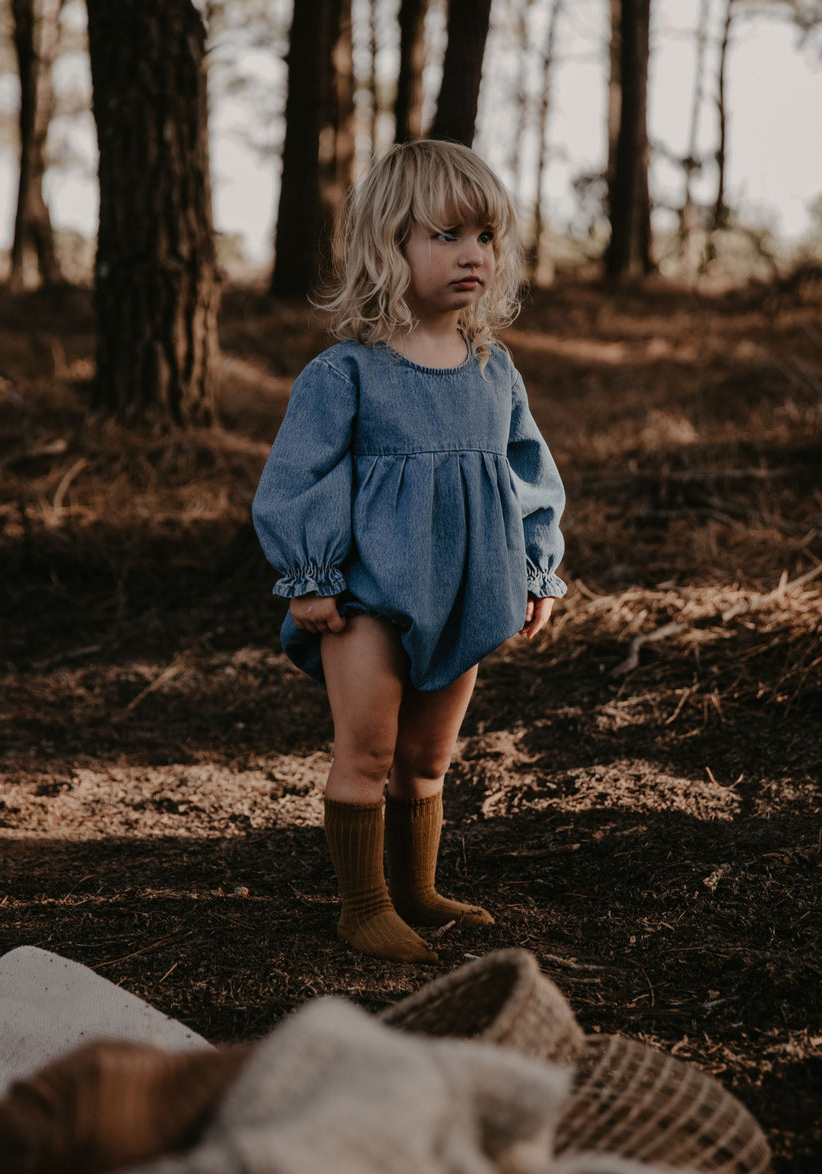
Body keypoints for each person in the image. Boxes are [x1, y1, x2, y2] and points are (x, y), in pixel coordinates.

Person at [253, 139, 566, 965]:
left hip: (464, 584)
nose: (472, 255)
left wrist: (537, 567)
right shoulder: (346, 373)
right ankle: (363, 907)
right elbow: (300, 474)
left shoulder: (495, 372)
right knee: (369, 752)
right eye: (446, 235)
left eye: (486, 236)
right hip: (366, 593)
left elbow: (529, 472)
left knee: (427, 759)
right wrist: (311, 573)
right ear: (389, 246)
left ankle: (417, 889)